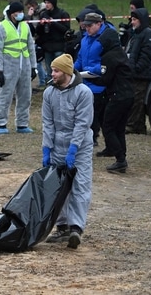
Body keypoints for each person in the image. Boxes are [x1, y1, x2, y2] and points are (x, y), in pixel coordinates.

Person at [42, 54, 93, 249]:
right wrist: (47, 148)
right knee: (58, 187)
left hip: (79, 148)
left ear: (65, 72)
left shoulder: (83, 93)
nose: (52, 73)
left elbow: (82, 123)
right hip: (57, 145)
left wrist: (74, 148)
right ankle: (61, 226)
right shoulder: (49, 93)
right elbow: (47, 122)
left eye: (55, 70)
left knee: (80, 186)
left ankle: (76, 228)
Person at [0, 2, 37, 134]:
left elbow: (30, 47)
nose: (21, 14)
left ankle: (22, 124)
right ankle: (1, 123)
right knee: (5, 96)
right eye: (18, 12)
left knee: (25, 96)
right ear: (12, 14)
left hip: (25, 67)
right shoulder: (1, 28)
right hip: (8, 68)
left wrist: (34, 66)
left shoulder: (25, 26)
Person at [94, 29, 134, 174]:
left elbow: (106, 79)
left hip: (117, 96)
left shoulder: (108, 57)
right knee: (119, 128)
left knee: (108, 126)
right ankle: (121, 157)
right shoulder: (121, 53)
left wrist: (91, 78)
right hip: (129, 95)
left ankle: (120, 159)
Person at [74, 13, 109, 147]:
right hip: (85, 81)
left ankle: (96, 137)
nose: (87, 29)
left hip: (99, 82)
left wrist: (91, 69)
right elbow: (80, 59)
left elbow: (106, 62)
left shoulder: (104, 39)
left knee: (98, 114)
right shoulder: (84, 39)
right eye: (85, 26)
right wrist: (72, 69)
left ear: (99, 24)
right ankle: (89, 137)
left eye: (90, 26)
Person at [125, 8, 151, 134]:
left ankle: (133, 125)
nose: (132, 22)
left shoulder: (147, 34)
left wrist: (136, 68)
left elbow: (146, 55)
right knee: (135, 98)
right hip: (136, 72)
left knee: (137, 100)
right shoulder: (137, 34)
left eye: (134, 19)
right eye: (131, 19)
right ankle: (138, 126)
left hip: (141, 74)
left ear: (141, 20)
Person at [36, 0, 70, 83]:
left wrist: (53, 23)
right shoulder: (43, 14)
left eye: (48, 3)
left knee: (59, 69)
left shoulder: (62, 13)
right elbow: (38, 32)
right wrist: (41, 24)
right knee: (49, 71)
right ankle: (51, 87)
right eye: (45, 2)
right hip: (47, 47)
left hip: (59, 46)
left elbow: (66, 29)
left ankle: (61, 85)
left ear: (53, 3)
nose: (46, 5)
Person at [25, 0, 47, 91]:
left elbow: (35, 28)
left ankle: (43, 80)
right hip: (38, 39)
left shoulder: (42, 13)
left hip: (42, 40)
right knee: (38, 62)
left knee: (37, 62)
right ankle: (44, 78)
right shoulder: (36, 13)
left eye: (29, 7)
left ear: (33, 6)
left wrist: (29, 17)